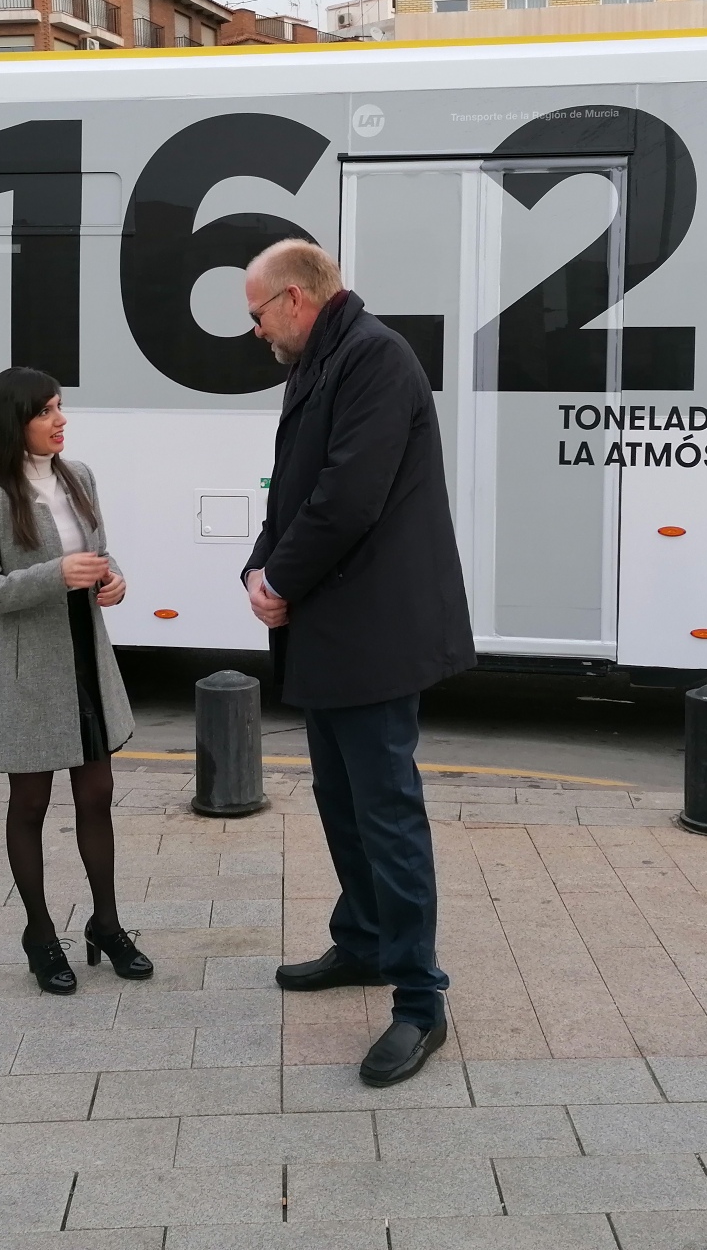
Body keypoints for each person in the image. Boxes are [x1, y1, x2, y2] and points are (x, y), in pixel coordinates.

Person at [241, 239, 476, 1086]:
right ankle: (365, 942)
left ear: (298, 301)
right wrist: (258, 568)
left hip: (374, 633)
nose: (257, 331)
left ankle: (420, 1002)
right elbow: (289, 486)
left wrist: (282, 576)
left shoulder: (374, 358)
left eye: (258, 314)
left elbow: (350, 494)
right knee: (343, 801)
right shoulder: (319, 362)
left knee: (387, 813)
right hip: (331, 630)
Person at [0, 366, 151, 994]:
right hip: (30, 671)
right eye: (45, 411)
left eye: (61, 407)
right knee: (31, 804)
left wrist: (112, 577)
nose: (60, 420)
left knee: (97, 795)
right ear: (15, 423)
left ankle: (107, 922)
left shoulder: (79, 476)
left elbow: (96, 552)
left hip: (86, 661)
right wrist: (56, 575)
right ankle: (40, 933)